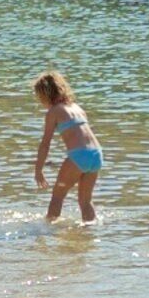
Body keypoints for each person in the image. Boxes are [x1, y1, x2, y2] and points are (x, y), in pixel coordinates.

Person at [30, 70, 102, 224]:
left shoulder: (54, 112)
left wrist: (38, 169)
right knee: (85, 201)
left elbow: (45, 144)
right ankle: (88, 233)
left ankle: (46, 232)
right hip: (96, 154)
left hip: (79, 155)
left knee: (57, 196)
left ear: (45, 95)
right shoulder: (77, 108)